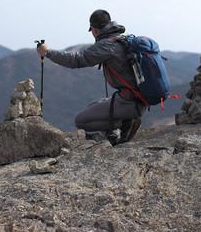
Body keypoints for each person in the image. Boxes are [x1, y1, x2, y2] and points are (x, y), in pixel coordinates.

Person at [36, 9, 142, 144]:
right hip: (136, 98)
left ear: (94, 29)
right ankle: (124, 120)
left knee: (80, 120)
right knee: (92, 105)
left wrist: (47, 52)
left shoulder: (107, 45)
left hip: (129, 101)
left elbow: (77, 60)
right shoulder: (121, 39)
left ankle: (124, 124)